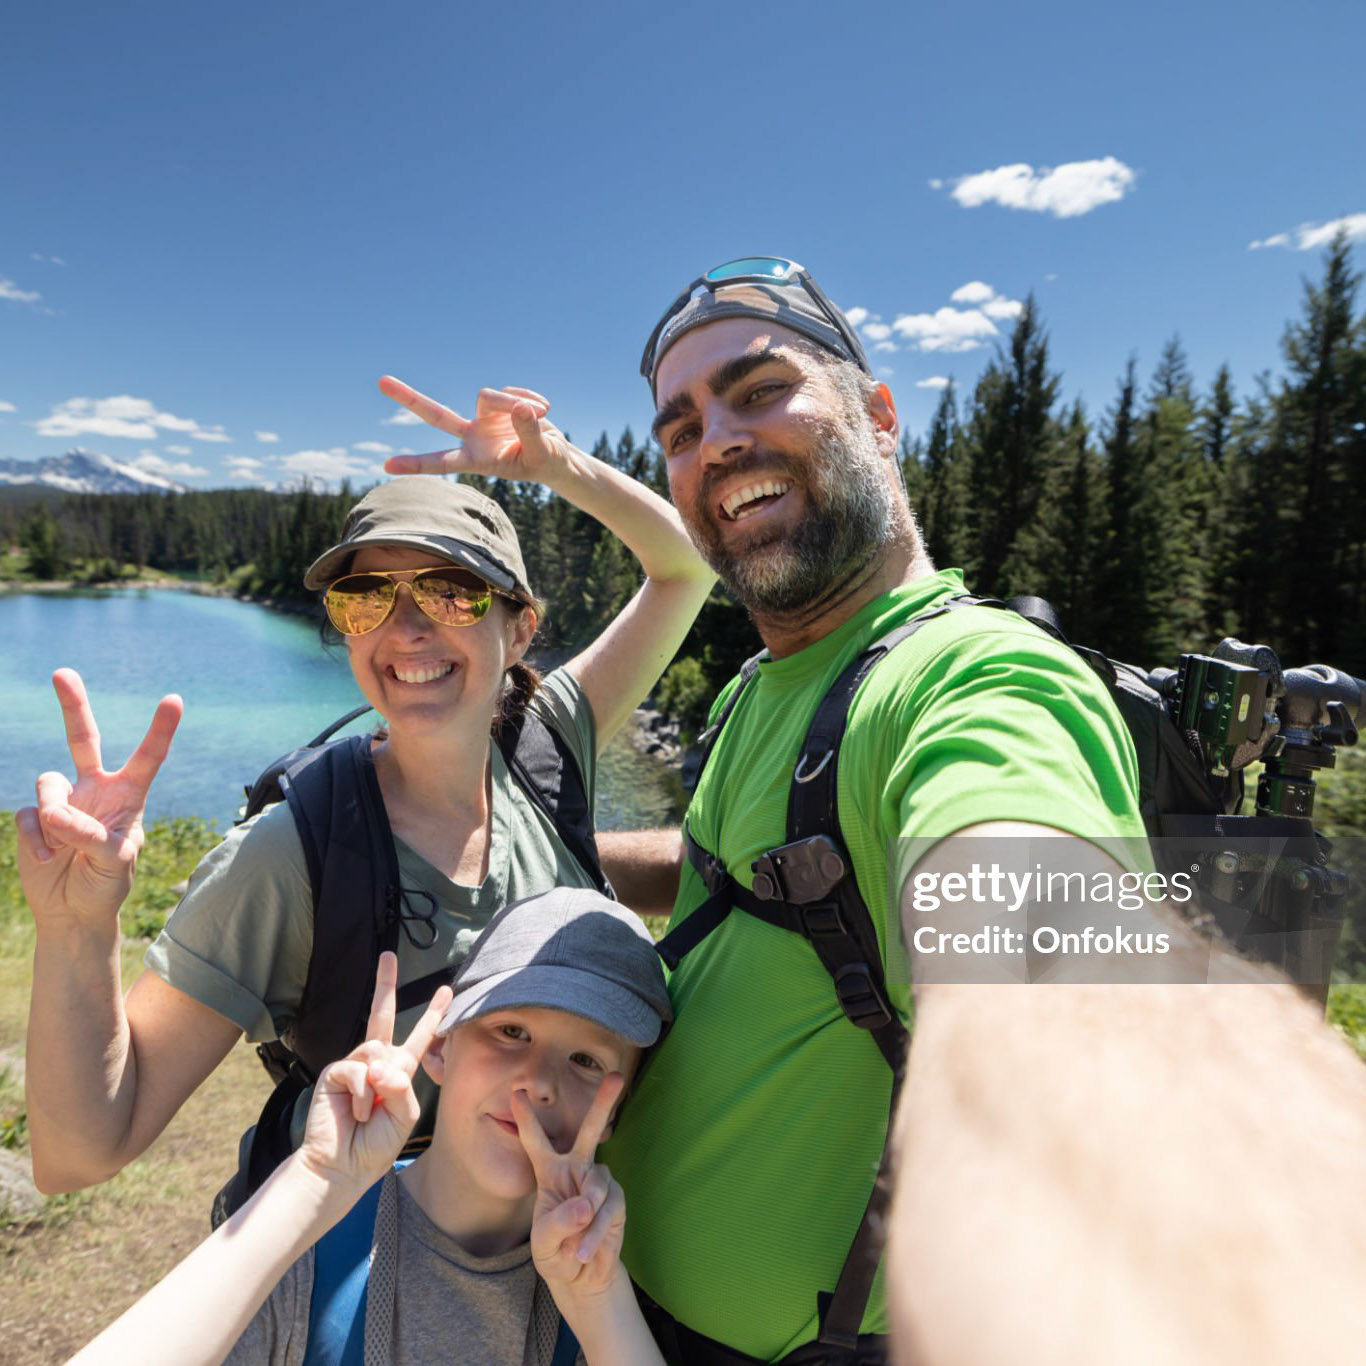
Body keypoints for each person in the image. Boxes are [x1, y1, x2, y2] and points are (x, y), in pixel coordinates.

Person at [394, 259, 1366, 1364]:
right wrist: (515, 870)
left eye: (760, 391)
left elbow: (1034, 964)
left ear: (880, 417)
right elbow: (742, 868)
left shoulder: (976, 680)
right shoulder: (765, 687)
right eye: (681, 425)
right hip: (604, 1297)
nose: (714, 439)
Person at [16, 378, 714, 1200]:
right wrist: (76, 926)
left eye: (452, 591)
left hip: (569, 1269)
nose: (407, 628)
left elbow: (682, 567)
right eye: (365, 598)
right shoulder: (294, 855)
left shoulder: (549, 738)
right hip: (380, 1288)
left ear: (519, 626)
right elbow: (77, 1156)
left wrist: (556, 468)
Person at [71, 887, 673, 1366]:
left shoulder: (602, 1290)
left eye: (587, 1061)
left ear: (619, 1110)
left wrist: (597, 1303)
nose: (540, 1081)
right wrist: (314, 1182)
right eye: (511, 1032)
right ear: (438, 1046)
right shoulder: (307, 1253)